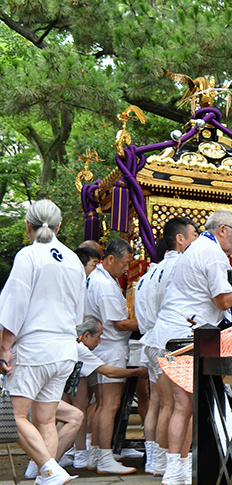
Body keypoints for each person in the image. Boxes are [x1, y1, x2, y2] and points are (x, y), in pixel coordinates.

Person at [142, 209, 232, 485]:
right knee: (184, 405)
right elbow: (223, 302)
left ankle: (173, 465)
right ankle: (175, 468)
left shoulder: (195, 248)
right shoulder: (212, 252)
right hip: (184, 337)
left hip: (166, 334)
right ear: (223, 229)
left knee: (176, 405)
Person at [0, 199, 86, 485]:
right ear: (59, 226)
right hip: (64, 347)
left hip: (35, 347)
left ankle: (50, 470)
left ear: (28, 226)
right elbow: (78, 312)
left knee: (15, 417)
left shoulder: (28, 255)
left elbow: (15, 305)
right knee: (46, 420)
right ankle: (46, 478)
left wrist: (4, 348)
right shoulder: (74, 259)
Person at [136, 218, 198, 475]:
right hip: (169, 338)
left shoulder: (152, 270)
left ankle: (156, 460)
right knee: (173, 405)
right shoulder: (180, 266)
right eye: (195, 234)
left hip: (152, 337)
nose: (198, 240)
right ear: (180, 238)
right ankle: (165, 462)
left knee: (158, 403)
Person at [84, 237, 137, 474]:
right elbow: (120, 323)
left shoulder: (103, 278)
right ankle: (104, 456)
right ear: (110, 259)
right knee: (109, 404)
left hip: (105, 347)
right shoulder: (104, 284)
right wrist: (151, 323)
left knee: (101, 404)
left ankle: (97, 454)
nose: (127, 268)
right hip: (110, 348)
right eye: (125, 263)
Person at [66, 316, 147, 469]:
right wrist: (137, 372)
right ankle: (86, 456)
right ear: (86, 336)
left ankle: (86, 455)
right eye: (99, 336)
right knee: (75, 414)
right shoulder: (79, 348)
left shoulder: (74, 344)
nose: (100, 341)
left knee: (74, 410)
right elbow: (109, 372)